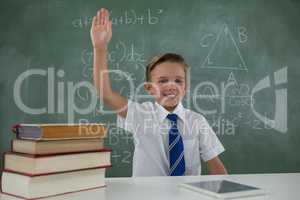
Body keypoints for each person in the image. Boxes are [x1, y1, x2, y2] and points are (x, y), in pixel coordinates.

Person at [91, 8, 227, 177]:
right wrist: (100, 48)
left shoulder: (197, 121)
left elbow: (216, 165)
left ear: (186, 87)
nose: (171, 86)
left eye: (178, 81)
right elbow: (106, 95)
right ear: (149, 88)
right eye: (162, 81)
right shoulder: (141, 114)